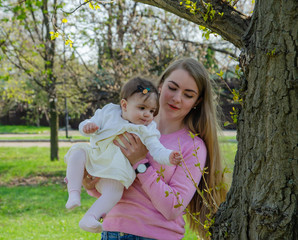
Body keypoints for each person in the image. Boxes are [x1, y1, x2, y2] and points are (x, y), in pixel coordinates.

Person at [83, 58, 227, 239]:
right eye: (172, 88)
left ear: (196, 101)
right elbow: (115, 187)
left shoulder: (193, 146)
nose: (177, 98)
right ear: (160, 86)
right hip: (112, 232)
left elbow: (172, 208)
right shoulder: (126, 125)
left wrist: (140, 163)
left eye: (188, 95)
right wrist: (91, 185)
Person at [64, 77, 182, 233]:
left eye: (152, 111)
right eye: (142, 108)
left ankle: (89, 218)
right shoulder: (109, 112)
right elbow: (87, 122)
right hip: (95, 156)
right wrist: (87, 126)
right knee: (77, 153)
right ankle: (73, 194)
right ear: (124, 105)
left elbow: (157, 149)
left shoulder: (147, 129)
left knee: (114, 193)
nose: (147, 114)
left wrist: (169, 156)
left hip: (114, 172)